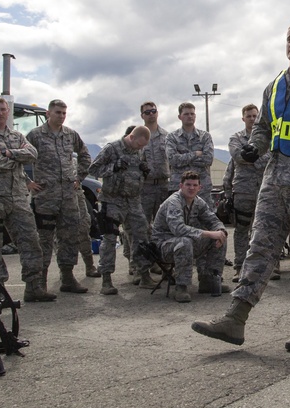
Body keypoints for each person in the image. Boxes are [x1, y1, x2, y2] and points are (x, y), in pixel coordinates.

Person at [192, 21, 290, 351]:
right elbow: (265, 128)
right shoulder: (274, 87)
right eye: (289, 39)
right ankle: (235, 319)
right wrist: (256, 145)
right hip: (274, 180)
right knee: (259, 247)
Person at [0, 96, 55, 302]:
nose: (0, 113)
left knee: (30, 240)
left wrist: (8, 153)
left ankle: (34, 287)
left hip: (17, 196)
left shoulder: (16, 135)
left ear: (8, 112)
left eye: (3, 109)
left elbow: (33, 153)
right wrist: (17, 159)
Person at [26, 99, 93, 295]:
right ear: (48, 113)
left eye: (64, 113)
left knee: (69, 237)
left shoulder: (71, 135)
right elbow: (18, 158)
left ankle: (67, 277)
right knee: (44, 240)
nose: (61, 116)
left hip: (68, 197)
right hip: (46, 197)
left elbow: (84, 155)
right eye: (58, 112)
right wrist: (27, 181)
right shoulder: (35, 135)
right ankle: (40, 282)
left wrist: (79, 177)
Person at [88, 125, 156, 295]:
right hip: (113, 200)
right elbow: (93, 169)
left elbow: (139, 167)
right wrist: (113, 167)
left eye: (143, 147)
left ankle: (144, 274)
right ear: (131, 137)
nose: (140, 149)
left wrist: (144, 170)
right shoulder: (112, 149)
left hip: (133, 200)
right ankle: (106, 280)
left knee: (142, 235)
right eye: (139, 145)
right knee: (110, 239)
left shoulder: (139, 151)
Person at [153, 171, 229, 303]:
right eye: (188, 185)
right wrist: (209, 233)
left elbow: (212, 220)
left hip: (183, 241)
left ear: (200, 188)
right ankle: (181, 287)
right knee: (185, 242)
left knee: (219, 238)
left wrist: (221, 231)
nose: (191, 188)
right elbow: (178, 229)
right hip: (164, 245)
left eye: (195, 185)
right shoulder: (174, 202)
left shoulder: (198, 202)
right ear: (181, 186)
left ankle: (208, 281)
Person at [227, 104, 270, 280]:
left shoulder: (269, 138)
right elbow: (238, 155)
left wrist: (252, 159)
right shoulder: (236, 138)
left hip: (266, 189)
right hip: (243, 190)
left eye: (255, 116)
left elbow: (273, 156)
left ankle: (267, 267)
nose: (252, 118)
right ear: (243, 118)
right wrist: (259, 159)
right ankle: (240, 267)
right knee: (242, 229)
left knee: (265, 229)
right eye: (249, 116)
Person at [166, 102, 215, 200]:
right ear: (180, 117)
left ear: (195, 116)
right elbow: (173, 160)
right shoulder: (172, 137)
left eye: (192, 114)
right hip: (179, 187)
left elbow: (208, 159)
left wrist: (183, 157)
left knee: (203, 215)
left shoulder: (205, 136)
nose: (190, 116)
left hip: (202, 187)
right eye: (186, 114)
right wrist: (196, 154)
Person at [139, 101, 172, 225]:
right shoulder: (137, 136)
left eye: (153, 111)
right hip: (145, 187)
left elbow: (172, 161)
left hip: (164, 187)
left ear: (157, 113)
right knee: (143, 225)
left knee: (164, 223)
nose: (151, 114)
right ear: (142, 116)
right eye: (147, 112)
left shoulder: (167, 137)